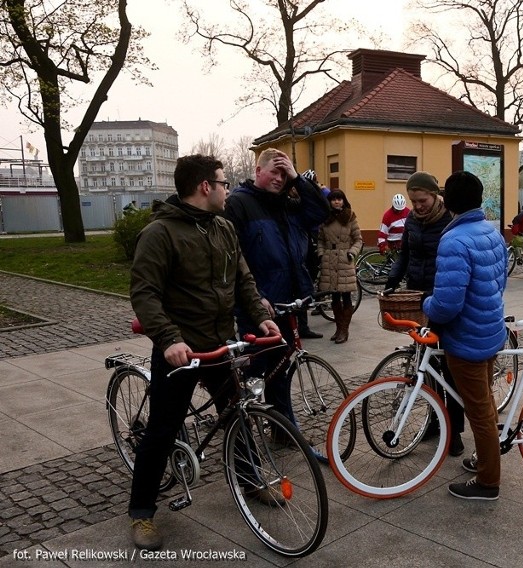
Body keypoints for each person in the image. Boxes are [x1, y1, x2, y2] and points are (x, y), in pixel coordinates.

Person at [127, 154, 280, 551]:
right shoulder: (160, 233)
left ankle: (252, 480)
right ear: (205, 187)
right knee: (162, 428)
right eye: (224, 182)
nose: (229, 188)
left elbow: (243, 279)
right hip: (181, 348)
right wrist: (169, 339)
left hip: (220, 342)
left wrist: (260, 315)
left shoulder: (224, 228)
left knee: (236, 415)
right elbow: (145, 293)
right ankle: (142, 512)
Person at [422, 170, 507, 501]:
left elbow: (446, 304)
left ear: (447, 201)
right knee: (484, 402)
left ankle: (488, 482)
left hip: (466, 339)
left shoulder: (454, 240)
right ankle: (487, 460)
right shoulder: (491, 231)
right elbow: (500, 283)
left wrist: (424, 303)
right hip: (490, 332)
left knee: (480, 413)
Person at [384, 171, 465, 456]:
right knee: (423, 365)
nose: (417, 205)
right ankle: (433, 420)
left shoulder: (448, 221)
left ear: (435, 195)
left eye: (422, 200)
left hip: (442, 298)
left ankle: (455, 431)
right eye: (413, 200)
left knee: (447, 366)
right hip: (418, 297)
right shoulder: (412, 222)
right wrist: (393, 280)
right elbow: (405, 254)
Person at [225, 149, 329, 342]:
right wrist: (256, 298)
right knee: (259, 367)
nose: (280, 178)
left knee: (283, 364)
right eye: (274, 172)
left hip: (287, 304)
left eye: (284, 174)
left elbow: (321, 211)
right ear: (258, 171)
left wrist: (297, 178)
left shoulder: (287, 205)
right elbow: (234, 261)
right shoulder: (238, 204)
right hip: (259, 307)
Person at [317, 189, 362, 342]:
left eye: (340, 199)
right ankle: (338, 329)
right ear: (329, 201)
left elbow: (358, 239)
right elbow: (321, 240)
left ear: (344, 200)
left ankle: (345, 330)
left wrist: (352, 252)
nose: (337, 201)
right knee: (335, 298)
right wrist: (321, 254)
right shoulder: (325, 218)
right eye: (334, 199)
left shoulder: (350, 217)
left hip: (345, 260)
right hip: (330, 261)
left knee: (346, 296)